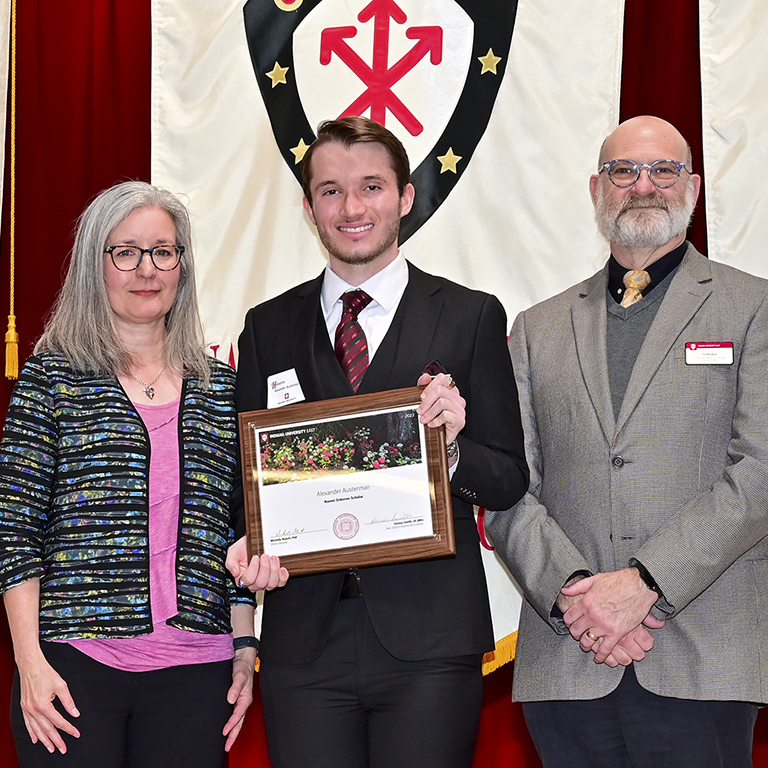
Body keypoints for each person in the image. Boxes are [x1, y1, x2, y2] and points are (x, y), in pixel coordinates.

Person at [227, 115, 529, 768]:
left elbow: (507, 477)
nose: (352, 207)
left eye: (370, 186)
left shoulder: (470, 315)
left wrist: (449, 450)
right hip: (303, 641)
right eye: (331, 190)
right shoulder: (266, 328)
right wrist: (247, 544)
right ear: (309, 207)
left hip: (429, 641)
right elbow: (242, 485)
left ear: (406, 197)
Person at [485, 115, 768, 768]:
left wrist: (645, 583)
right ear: (596, 190)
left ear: (692, 189)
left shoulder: (751, 308)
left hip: (701, 655)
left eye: (663, 170)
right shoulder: (536, 329)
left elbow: (759, 470)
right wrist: (576, 594)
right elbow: (507, 488)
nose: (644, 185)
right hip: (570, 659)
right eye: (624, 171)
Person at [0, 181, 272, 768]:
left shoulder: (220, 387)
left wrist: (244, 649)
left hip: (198, 673)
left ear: (182, 265)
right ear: (95, 264)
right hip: (72, 670)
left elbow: (237, 533)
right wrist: (29, 663)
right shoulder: (53, 377)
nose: (146, 269)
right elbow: (15, 532)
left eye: (163, 251)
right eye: (125, 251)